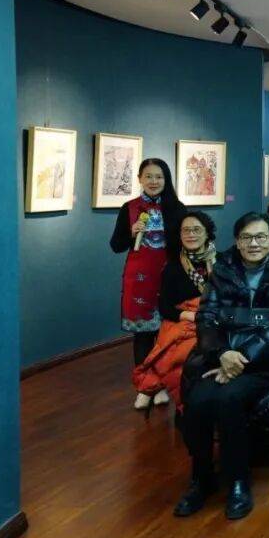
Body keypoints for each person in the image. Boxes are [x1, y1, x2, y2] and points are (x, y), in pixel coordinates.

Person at [175, 212, 269, 520]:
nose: (253, 244)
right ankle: (202, 478)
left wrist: (241, 357)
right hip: (221, 358)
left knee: (229, 399)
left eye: (260, 237)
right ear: (237, 241)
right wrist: (222, 353)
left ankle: (237, 480)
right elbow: (206, 317)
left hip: (267, 362)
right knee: (198, 399)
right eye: (246, 238)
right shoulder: (222, 269)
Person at [110, 157, 187, 410]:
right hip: (140, 279)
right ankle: (144, 386)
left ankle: (162, 385)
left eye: (159, 177)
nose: (154, 181)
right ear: (140, 179)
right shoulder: (129, 208)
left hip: (169, 278)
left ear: (167, 180)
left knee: (166, 335)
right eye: (149, 176)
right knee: (143, 335)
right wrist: (130, 233)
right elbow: (116, 245)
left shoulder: (177, 209)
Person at [133, 211, 217, 411]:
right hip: (183, 318)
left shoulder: (222, 262)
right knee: (174, 349)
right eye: (185, 230)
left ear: (207, 233)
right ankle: (156, 385)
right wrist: (190, 315)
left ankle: (157, 384)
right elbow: (165, 307)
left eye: (196, 230)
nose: (191, 234)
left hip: (215, 317)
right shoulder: (173, 267)